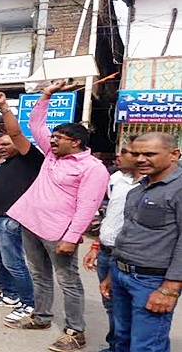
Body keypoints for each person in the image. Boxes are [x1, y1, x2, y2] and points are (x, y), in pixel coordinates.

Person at [4, 80, 110, 352]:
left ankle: (76, 332)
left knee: (69, 282)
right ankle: (41, 318)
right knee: (39, 275)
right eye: (52, 137)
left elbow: (88, 207)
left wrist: (72, 238)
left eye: (58, 138)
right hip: (31, 224)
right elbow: (35, 125)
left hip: (60, 234)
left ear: (75, 142)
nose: (50, 140)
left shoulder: (93, 169)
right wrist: (46, 95)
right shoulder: (52, 155)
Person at [105, 132, 182, 352]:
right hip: (122, 273)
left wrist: (170, 288)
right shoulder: (139, 187)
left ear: (174, 154)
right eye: (136, 153)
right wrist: (113, 273)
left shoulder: (178, 189)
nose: (140, 159)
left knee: (146, 346)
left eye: (149, 154)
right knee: (122, 338)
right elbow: (129, 233)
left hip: (152, 280)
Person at [0, 85, 41, 323]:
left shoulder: (30, 159)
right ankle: (9, 295)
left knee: (15, 263)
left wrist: (4, 107)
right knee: (1, 261)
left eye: (6, 143)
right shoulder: (4, 164)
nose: (1, 147)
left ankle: (28, 303)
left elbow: (16, 134)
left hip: (10, 219)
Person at [82, 138, 141, 352]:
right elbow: (111, 217)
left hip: (130, 258)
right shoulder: (117, 178)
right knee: (111, 304)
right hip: (107, 251)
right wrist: (96, 246)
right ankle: (115, 346)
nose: (119, 155)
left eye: (126, 152)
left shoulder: (150, 185)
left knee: (131, 310)